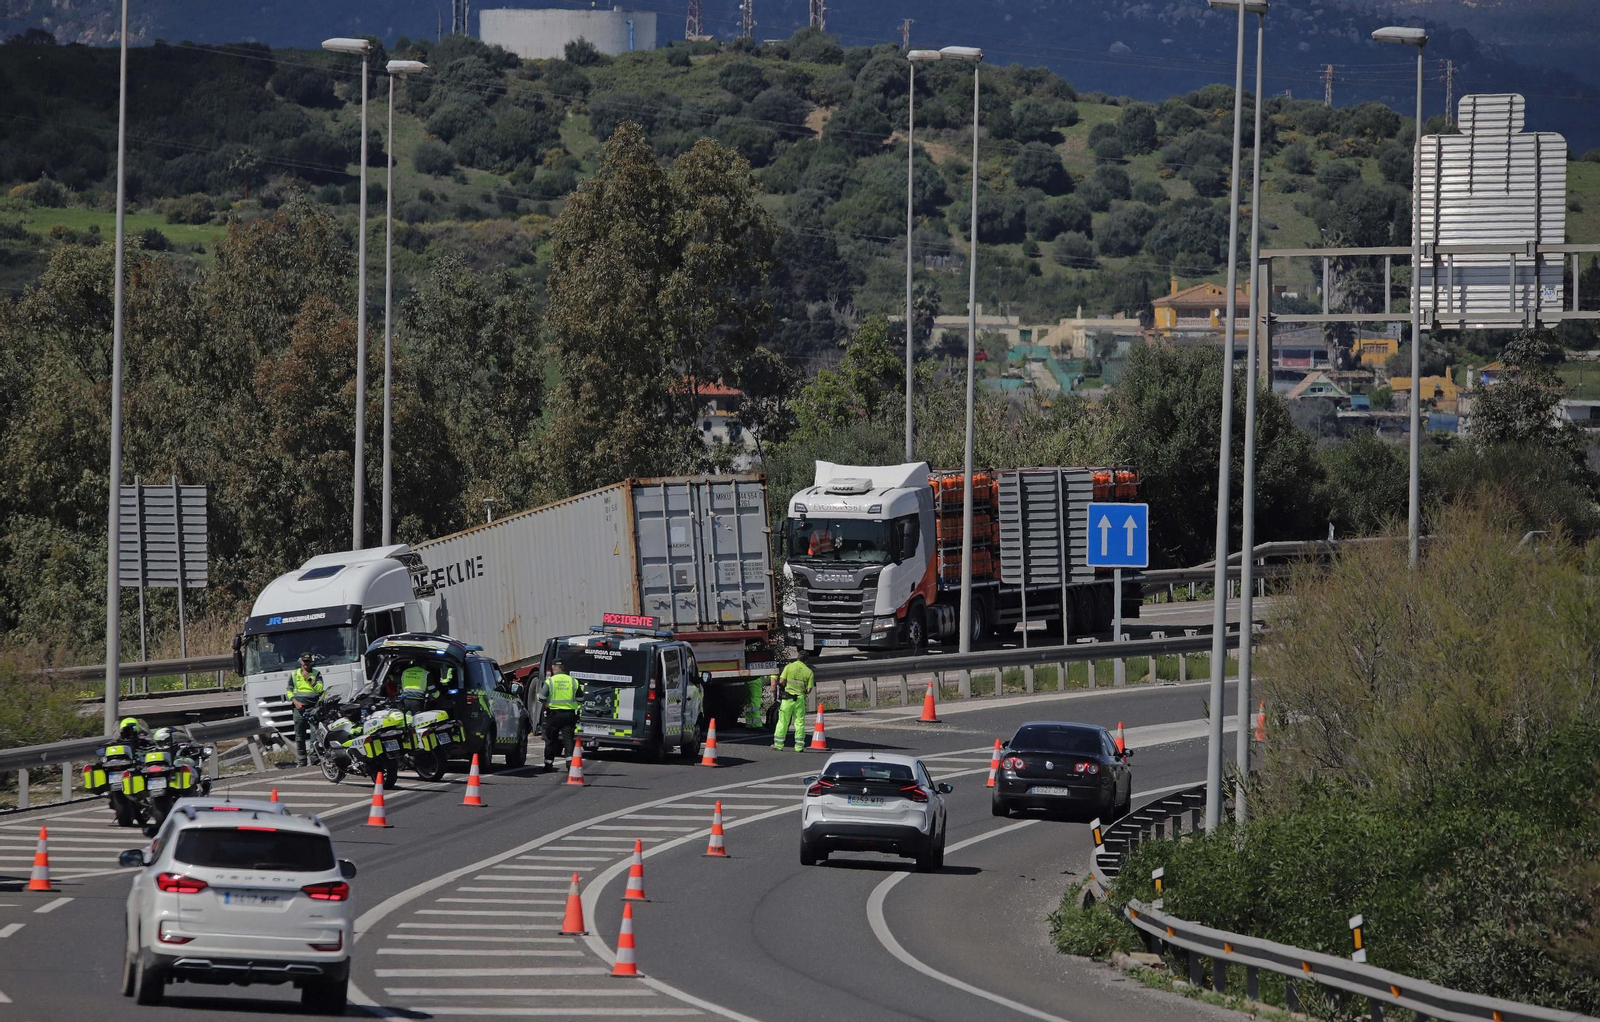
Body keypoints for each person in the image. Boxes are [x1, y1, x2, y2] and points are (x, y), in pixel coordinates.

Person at [539, 659, 582, 772]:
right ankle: (569, 763)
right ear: (563, 668)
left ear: (554, 668)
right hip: (569, 715)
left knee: (551, 740)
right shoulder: (573, 681)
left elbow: (542, 698)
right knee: (568, 739)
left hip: (553, 714)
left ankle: (548, 764)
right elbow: (580, 698)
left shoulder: (550, 681)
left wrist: (548, 703)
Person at [284, 652, 325, 767]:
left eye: (308, 661)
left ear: (311, 661)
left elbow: (320, 688)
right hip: (299, 708)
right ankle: (302, 760)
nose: (306, 663)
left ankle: (314, 758)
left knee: (315, 734)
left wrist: (309, 679)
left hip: (314, 707)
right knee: (299, 735)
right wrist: (295, 702)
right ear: (301, 662)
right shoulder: (294, 674)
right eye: (304, 661)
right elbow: (288, 691)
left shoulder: (317, 673)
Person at [772, 654, 814, 752]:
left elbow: (781, 681)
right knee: (799, 722)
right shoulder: (809, 672)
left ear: (797, 657)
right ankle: (799, 747)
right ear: (806, 660)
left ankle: (778, 745)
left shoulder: (789, 667)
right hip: (799, 700)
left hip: (787, 699)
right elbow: (808, 690)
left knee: (783, 721)